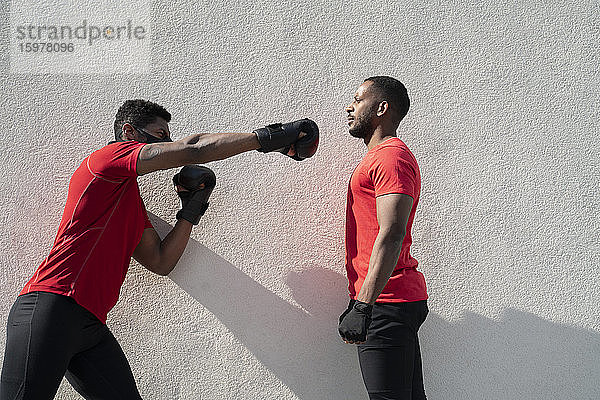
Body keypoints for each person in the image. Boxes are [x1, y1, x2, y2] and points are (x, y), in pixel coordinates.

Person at [0, 99, 319, 400]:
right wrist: (269, 137)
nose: (167, 142)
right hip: (52, 306)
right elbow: (192, 149)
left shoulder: (129, 202)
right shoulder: (104, 162)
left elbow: (160, 261)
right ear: (128, 133)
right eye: (160, 135)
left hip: (90, 324)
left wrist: (192, 209)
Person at [338, 77, 428, 400]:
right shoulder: (381, 157)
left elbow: (391, 234)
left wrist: (363, 305)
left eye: (358, 99)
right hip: (387, 301)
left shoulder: (391, 157)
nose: (350, 106)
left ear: (382, 108)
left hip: (387, 304)